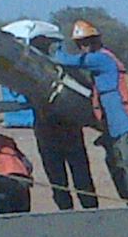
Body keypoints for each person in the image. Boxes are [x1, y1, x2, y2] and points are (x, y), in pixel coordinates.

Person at [58, 19, 128, 204]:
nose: (84, 46)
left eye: (87, 41)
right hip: (120, 130)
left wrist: (54, 49)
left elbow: (66, 60)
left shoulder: (101, 59)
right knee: (119, 168)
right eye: (80, 43)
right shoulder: (100, 62)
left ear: (96, 40)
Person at [26, 29, 98, 209]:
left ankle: (70, 214)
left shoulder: (30, 75)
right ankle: (90, 213)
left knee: (60, 182)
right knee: (80, 179)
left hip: (50, 133)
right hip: (67, 131)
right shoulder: (63, 68)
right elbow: (85, 89)